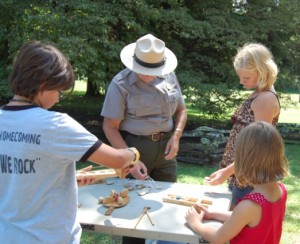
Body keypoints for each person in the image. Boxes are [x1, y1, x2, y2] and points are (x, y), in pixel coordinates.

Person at [0, 40, 141, 244]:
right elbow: (118, 160)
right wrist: (133, 153)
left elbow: (13, 175)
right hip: (47, 237)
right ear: (43, 84)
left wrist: (65, 178)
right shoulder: (55, 124)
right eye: (59, 92)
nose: (58, 99)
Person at [101, 34, 187, 244]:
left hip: (166, 149)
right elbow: (110, 127)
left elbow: (182, 110)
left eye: (154, 70)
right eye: (144, 70)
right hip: (135, 147)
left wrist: (175, 137)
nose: (149, 75)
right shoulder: (120, 83)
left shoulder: (170, 75)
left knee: (168, 209)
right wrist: (130, 159)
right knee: (133, 214)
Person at [186, 121, 289, 244]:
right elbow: (244, 218)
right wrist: (212, 214)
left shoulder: (250, 205)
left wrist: (195, 223)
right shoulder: (281, 190)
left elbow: (218, 237)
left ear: (244, 160)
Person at [205, 43, 281, 208]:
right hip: (241, 170)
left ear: (262, 72)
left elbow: (258, 146)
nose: (241, 81)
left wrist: (226, 172)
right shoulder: (259, 94)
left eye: (246, 78)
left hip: (249, 176)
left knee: (239, 224)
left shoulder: (265, 100)